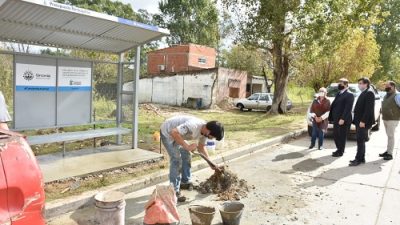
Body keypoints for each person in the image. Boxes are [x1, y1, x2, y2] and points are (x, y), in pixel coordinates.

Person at [160, 115, 224, 202]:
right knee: (176, 160)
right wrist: (187, 146)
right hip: (167, 133)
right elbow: (173, 132)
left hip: (178, 135)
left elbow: (201, 148)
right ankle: (174, 191)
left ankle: (185, 182)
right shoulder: (193, 126)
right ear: (208, 130)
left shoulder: (205, 133)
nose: (211, 138)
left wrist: (211, 164)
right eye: (211, 136)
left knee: (187, 155)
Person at [349, 78, 375, 166]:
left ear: (366, 84)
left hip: (362, 121)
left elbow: (368, 109)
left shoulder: (369, 93)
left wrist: (363, 121)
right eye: (358, 83)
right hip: (358, 120)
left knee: (360, 140)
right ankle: (362, 158)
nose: (359, 85)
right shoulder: (364, 92)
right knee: (361, 140)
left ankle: (358, 159)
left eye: (360, 83)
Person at [328, 78, 355, 157]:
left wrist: (342, 119)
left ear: (346, 85)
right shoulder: (339, 93)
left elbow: (348, 108)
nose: (339, 85)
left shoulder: (350, 95)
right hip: (336, 119)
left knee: (342, 136)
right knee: (336, 135)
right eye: (338, 83)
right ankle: (338, 149)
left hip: (343, 120)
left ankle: (340, 151)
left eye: (341, 84)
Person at [379, 81, 400, 161]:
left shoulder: (397, 95)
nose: (386, 87)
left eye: (388, 86)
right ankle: (388, 151)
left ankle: (390, 154)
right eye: (386, 86)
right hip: (386, 118)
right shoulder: (386, 95)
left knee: (391, 136)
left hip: (393, 119)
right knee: (389, 136)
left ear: (393, 87)